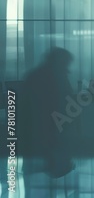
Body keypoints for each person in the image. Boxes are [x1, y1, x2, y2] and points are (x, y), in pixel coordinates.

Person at [20, 47, 75, 179]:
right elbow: (68, 97)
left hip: (38, 129)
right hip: (50, 126)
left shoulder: (34, 75)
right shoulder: (57, 75)